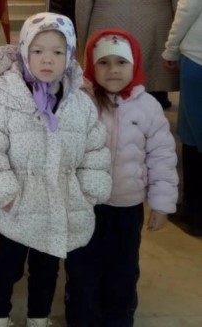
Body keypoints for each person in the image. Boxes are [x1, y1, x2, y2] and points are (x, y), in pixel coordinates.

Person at [0, 12, 111, 327]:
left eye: (57, 52)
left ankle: (38, 317)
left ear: (69, 56)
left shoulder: (80, 105)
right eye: (38, 50)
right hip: (17, 207)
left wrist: (88, 192)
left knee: (47, 269)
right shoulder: (5, 101)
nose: (47, 59)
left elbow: (95, 150)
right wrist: (5, 196)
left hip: (58, 206)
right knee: (7, 266)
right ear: (24, 53)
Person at [65, 29, 178, 327]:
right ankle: (82, 318)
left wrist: (162, 204)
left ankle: (118, 318)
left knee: (123, 269)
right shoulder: (81, 103)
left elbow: (162, 157)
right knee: (82, 268)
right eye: (103, 62)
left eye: (121, 62)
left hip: (127, 208)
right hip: (85, 206)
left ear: (135, 64)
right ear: (91, 66)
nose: (113, 70)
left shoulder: (149, 107)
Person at [163, 0, 202, 236]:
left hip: (200, 56)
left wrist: (171, 48)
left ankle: (195, 212)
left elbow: (190, 3)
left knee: (193, 135)